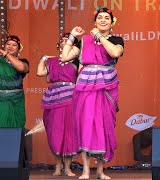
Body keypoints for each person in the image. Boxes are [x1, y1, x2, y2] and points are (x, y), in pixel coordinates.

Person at [61, 7, 124, 179]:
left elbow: (115, 52)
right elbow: (65, 57)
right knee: (86, 125)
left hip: (106, 88)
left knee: (104, 125)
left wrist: (99, 36)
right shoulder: (85, 41)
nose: (103, 20)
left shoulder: (116, 39)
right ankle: (86, 171)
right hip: (85, 88)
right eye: (100, 18)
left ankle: (100, 171)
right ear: (95, 22)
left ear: (112, 23)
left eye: (107, 18)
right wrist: (72, 37)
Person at [36, 33, 79, 176]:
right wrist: (43, 59)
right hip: (53, 99)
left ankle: (68, 167)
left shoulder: (77, 61)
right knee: (55, 132)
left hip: (71, 98)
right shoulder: (52, 61)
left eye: (68, 40)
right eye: (63, 41)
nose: (64, 42)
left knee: (69, 132)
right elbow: (40, 72)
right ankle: (58, 166)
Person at [0, 35, 29, 128]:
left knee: (14, 131)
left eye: (14, 45)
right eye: (8, 44)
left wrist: (7, 55)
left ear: (19, 48)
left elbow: (21, 68)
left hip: (16, 102)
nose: (10, 47)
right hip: (1, 101)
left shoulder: (23, 61)